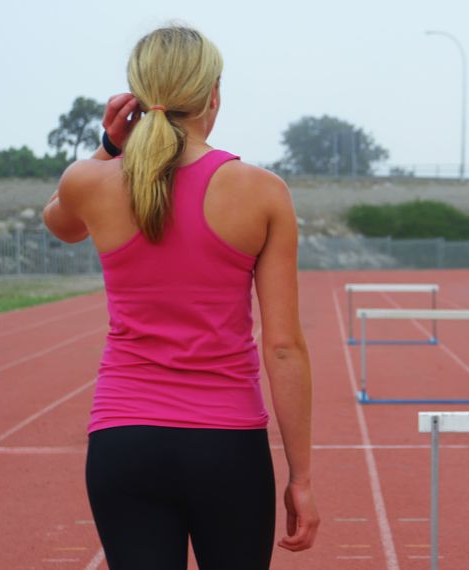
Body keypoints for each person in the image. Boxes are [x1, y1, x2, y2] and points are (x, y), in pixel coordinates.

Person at [42, 26, 318, 569]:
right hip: (226, 446)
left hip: (124, 442)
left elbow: (59, 222)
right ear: (213, 94)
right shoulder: (261, 192)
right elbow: (283, 347)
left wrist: (108, 146)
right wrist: (301, 478)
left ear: (137, 99)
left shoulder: (89, 183)